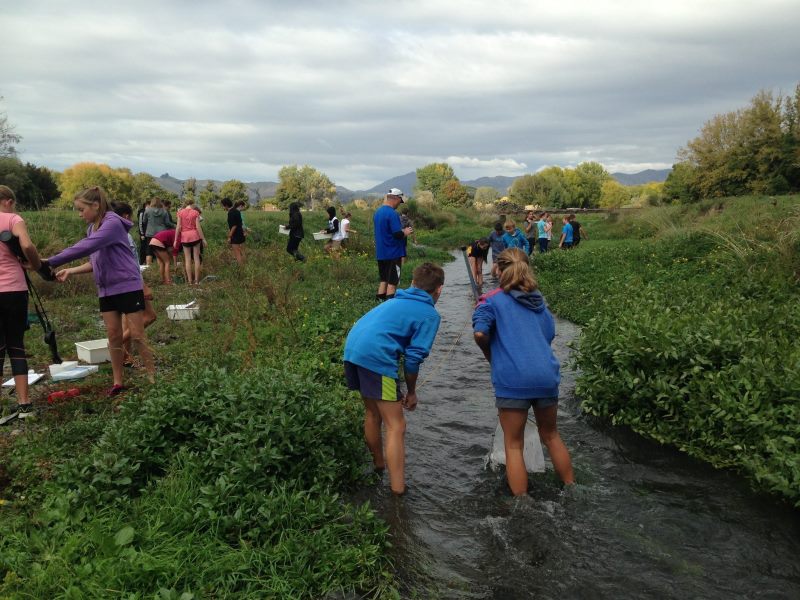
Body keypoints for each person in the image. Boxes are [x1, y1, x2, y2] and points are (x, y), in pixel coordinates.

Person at [472, 248, 574, 495]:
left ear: (498, 268)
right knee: (551, 435)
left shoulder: (491, 300)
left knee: (514, 444)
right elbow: (548, 334)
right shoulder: (539, 300)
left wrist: (490, 353)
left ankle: (522, 504)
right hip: (546, 376)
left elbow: (479, 332)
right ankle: (572, 488)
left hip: (513, 380)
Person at [344, 262, 445, 496]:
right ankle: (398, 491)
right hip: (376, 357)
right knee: (396, 426)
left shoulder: (394, 301)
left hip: (353, 350)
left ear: (412, 283)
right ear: (439, 290)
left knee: (372, 413)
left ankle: (379, 466)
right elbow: (413, 359)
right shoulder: (429, 314)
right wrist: (411, 392)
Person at [46, 186, 155, 395]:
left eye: (81, 209)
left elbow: (85, 247)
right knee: (114, 335)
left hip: (127, 286)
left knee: (137, 335)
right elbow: (95, 261)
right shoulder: (92, 228)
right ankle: (117, 382)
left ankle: (151, 376)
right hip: (106, 289)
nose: (80, 214)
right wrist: (71, 270)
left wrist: (49, 262)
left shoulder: (112, 223)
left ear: (95, 206)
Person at [0, 185, 43, 418]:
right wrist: (35, 265)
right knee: (16, 344)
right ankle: (24, 403)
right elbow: (26, 245)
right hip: (13, 289)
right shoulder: (12, 218)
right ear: (8, 201)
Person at [111, 202, 157, 368]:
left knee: (126, 320)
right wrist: (143, 285)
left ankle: (125, 357)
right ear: (125, 216)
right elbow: (131, 263)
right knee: (150, 316)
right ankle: (115, 344)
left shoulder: (109, 234)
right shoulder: (125, 236)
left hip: (118, 284)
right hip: (131, 283)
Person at [373, 188, 413, 301]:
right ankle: (390, 306)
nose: (399, 205)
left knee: (384, 279)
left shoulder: (377, 212)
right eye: (399, 202)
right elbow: (397, 234)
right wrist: (405, 232)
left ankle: (379, 303)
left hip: (381, 253)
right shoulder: (392, 213)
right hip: (393, 253)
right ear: (396, 199)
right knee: (392, 282)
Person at [174, 198, 207, 284]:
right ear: (192, 204)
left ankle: (189, 281)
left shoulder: (180, 213)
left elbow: (178, 227)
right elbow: (198, 227)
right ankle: (196, 281)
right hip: (195, 236)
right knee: (196, 258)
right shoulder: (195, 212)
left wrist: (175, 240)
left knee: (187, 259)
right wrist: (203, 239)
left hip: (185, 237)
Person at [142, 198, 174, 265]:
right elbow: (167, 223)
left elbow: (144, 221)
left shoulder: (147, 211)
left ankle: (149, 268)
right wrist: (175, 225)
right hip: (161, 234)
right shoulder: (164, 211)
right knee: (160, 251)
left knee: (149, 251)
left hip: (150, 233)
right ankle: (160, 268)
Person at [222, 198, 246, 265]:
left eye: (223, 205)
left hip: (235, 236)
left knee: (237, 253)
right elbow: (240, 223)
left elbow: (234, 226)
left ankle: (241, 269)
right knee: (241, 251)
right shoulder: (237, 211)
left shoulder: (231, 213)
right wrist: (244, 231)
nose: (223, 207)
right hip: (240, 233)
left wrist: (229, 236)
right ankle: (244, 265)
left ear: (226, 205)